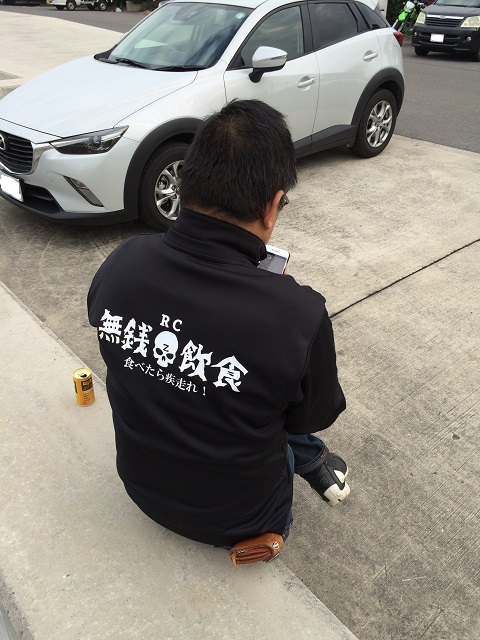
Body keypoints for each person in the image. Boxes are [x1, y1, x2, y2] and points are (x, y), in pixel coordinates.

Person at [87, 99, 349, 551]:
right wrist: (277, 306)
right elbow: (311, 416)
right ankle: (313, 461)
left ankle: (313, 462)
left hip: (141, 489)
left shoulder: (122, 262)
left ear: (186, 186)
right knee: (272, 393)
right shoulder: (297, 314)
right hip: (244, 525)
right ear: (272, 206)